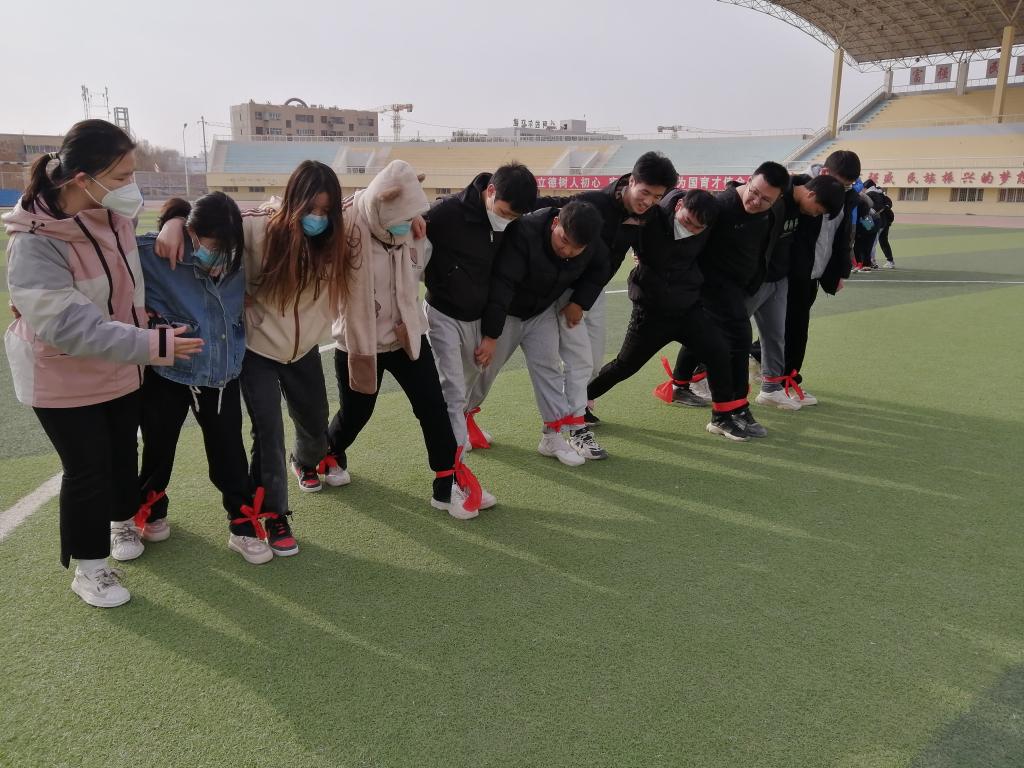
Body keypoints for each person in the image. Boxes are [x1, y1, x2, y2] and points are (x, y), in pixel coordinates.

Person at [3, 119, 202, 608]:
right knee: (87, 470)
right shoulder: (34, 241)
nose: (131, 186)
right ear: (81, 179)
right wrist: (152, 344)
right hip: (62, 375)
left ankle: (121, 521)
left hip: (121, 366)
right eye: (121, 176)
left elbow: (127, 280)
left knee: (121, 455)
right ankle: (90, 570)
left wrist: (175, 219)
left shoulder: (113, 216)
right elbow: (69, 327)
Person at [156, 160, 353, 556]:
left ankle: (306, 461)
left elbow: (373, 205)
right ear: (293, 202)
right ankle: (273, 513)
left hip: (303, 349)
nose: (317, 218)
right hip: (257, 348)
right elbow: (210, 216)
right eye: (310, 208)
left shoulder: (336, 236)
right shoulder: (256, 227)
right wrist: (174, 220)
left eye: (325, 210)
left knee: (315, 423)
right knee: (268, 430)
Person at [327, 160, 494, 520]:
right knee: (356, 413)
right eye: (402, 217)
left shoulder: (411, 228)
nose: (407, 224)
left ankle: (446, 484)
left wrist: (413, 217)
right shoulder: (343, 228)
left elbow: (416, 241)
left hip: (407, 336)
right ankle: (325, 452)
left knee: (432, 406)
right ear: (381, 206)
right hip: (360, 343)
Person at [136, 194, 273, 565]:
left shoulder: (242, 257)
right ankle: (150, 509)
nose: (219, 259)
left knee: (229, 451)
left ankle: (242, 526)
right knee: (158, 445)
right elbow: (107, 268)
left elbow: (277, 213)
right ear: (192, 234)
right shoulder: (155, 252)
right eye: (212, 249)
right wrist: (172, 221)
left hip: (220, 373)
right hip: (168, 371)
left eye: (227, 251)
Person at [586, 189, 754, 441]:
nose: (690, 229)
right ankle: (578, 401)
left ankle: (721, 417)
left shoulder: (709, 224)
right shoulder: (650, 218)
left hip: (688, 308)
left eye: (697, 228)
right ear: (679, 206)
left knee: (718, 351)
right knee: (625, 366)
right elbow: (616, 238)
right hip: (650, 313)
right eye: (687, 221)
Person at [537, 151, 679, 427]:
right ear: (631, 181)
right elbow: (553, 206)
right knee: (576, 361)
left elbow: (659, 249)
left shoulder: (649, 215)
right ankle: (569, 417)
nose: (649, 201)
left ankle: (576, 406)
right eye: (645, 192)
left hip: (593, 293)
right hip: (566, 291)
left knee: (592, 363)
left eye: (657, 196)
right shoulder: (594, 203)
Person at [466, 200, 608, 463]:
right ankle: (461, 420)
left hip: (541, 313)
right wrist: (491, 335)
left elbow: (600, 270)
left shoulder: (589, 242)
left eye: (576, 248)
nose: (567, 251)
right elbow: (503, 284)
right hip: (507, 313)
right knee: (484, 369)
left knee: (549, 368)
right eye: (564, 240)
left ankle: (552, 437)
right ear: (555, 223)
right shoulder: (525, 231)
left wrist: (579, 302)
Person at [421, 163, 538, 453]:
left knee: (471, 376)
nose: (506, 220)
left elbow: (503, 282)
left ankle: (458, 429)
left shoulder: (513, 226)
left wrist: (491, 335)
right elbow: (407, 234)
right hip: (443, 311)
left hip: (479, 315)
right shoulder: (447, 212)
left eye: (514, 217)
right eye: (504, 213)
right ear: (491, 190)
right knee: (452, 386)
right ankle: (452, 456)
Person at [671, 161, 790, 438]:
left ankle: (725, 406)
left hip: (738, 289)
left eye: (766, 199)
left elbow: (763, 246)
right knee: (736, 343)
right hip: (710, 289)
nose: (756, 201)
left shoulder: (774, 211)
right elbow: (684, 234)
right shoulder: (720, 207)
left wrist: (754, 280)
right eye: (754, 192)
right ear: (748, 180)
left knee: (719, 345)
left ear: (777, 199)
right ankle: (732, 410)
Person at [748, 173, 845, 411]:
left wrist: (836, 273)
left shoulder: (805, 205)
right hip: (762, 278)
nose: (817, 215)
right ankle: (695, 378)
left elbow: (839, 240)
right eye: (818, 210)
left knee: (780, 334)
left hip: (787, 278)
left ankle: (773, 387)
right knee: (728, 329)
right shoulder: (780, 200)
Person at [783, 150, 862, 406]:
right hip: (788, 273)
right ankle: (778, 379)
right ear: (825, 172)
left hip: (813, 274)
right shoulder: (797, 187)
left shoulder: (846, 197)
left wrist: (838, 273)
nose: (843, 189)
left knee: (795, 330)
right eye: (841, 183)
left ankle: (784, 379)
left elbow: (841, 237)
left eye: (848, 185)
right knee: (783, 329)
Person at [863, 179, 895, 268]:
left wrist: (872, 213)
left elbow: (871, 209)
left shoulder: (870, 194)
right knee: (883, 241)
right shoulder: (881, 193)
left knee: (871, 242)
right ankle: (890, 261)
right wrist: (885, 207)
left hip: (876, 222)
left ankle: (871, 262)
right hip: (885, 221)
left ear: (866, 187)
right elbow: (889, 203)